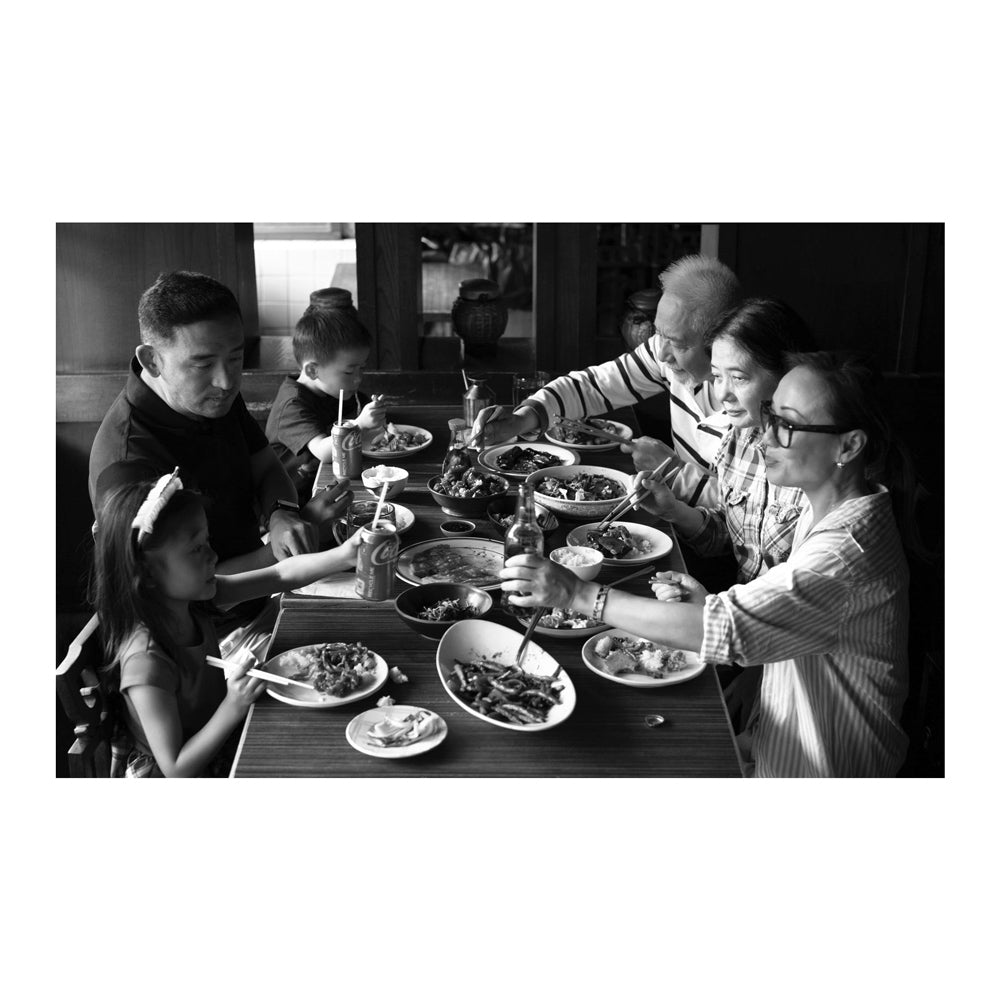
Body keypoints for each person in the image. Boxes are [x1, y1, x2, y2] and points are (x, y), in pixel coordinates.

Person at [501, 353, 916, 777]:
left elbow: (729, 629)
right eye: (769, 417)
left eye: (787, 426)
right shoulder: (829, 508)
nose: (764, 439)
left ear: (848, 445)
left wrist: (578, 594)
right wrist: (707, 604)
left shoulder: (843, 553)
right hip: (774, 741)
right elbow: (783, 619)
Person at [88, 271, 352, 653]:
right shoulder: (129, 462)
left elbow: (263, 466)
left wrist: (283, 514)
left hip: (264, 596)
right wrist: (299, 532)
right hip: (203, 644)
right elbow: (189, 592)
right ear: (152, 359)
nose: (227, 381)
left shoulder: (210, 396)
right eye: (202, 364)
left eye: (235, 357)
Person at [90, 470, 364, 777]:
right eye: (196, 548)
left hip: (219, 735)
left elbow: (280, 575)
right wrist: (234, 704)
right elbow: (176, 767)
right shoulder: (146, 662)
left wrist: (345, 554)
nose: (213, 555)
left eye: (207, 541)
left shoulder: (194, 599)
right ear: (148, 574)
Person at [470, 254, 742, 506]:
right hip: (674, 511)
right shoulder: (667, 353)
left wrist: (673, 471)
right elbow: (595, 385)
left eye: (676, 342)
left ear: (718, 340)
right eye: (660, 333)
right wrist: (523, 419)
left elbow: (743, 511)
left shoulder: (750, 400)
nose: (661, 352)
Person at [639, 298, 816, 585]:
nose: (722, 395)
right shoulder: (738, 437)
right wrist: (673, 510)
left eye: (739, 378)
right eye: (717, 377)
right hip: (735, 606)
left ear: (786, 374)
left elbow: (806, 594)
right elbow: (730, 538)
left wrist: (709, 607)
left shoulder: (819, 457)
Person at [266, 306, 387, 504]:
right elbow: (323, 451)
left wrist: (376, 412)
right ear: (313, 370)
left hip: (330, 486)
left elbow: (368, 420)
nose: (358, 379)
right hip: (291, 504)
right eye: (349, 372)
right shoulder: (292, 406)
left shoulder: (334, 388)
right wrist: (361, 424)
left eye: (362, 368)